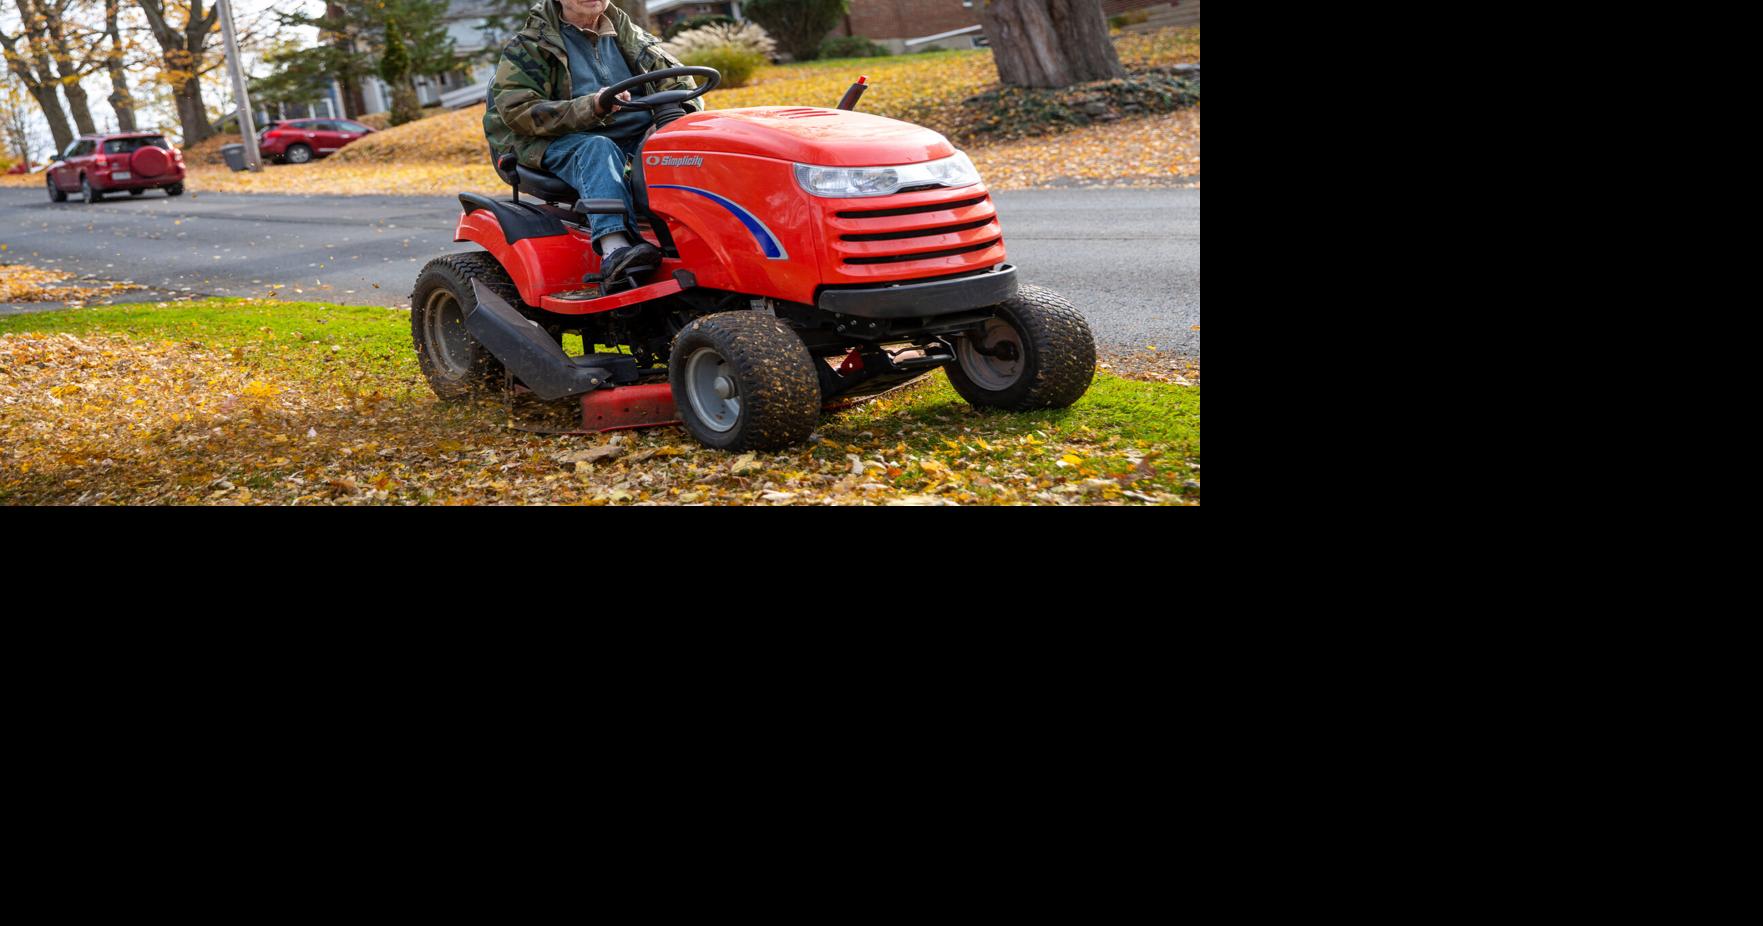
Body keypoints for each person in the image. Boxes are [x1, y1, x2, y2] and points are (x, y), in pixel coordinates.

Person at [485, 0, 702, 282]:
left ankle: (712, 236)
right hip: (560, 140)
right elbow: (518, 111)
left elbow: (681, 84)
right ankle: (616, 248)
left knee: (696, 143)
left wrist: (670, 119)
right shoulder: (528, 47)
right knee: (597, 147)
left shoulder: (632, 35)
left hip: (637, 136)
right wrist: (593, 106)